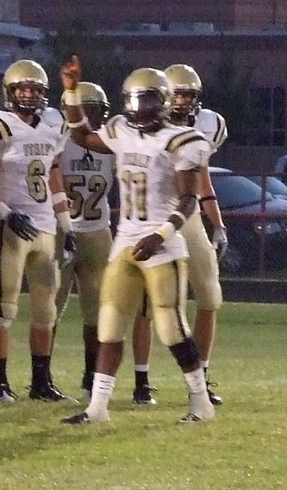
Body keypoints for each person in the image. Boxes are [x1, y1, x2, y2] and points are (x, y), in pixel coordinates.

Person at [59, 60, 215, 425]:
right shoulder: (119, 130)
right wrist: (70, 92)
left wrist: (160, 235)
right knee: (109, 325)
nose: (138, 109)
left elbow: (188, 201)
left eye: (145, 101)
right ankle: (97, 408)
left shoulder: (181, 140)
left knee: (170, 328)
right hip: (126, 240)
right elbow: (81, 136)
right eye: (132, 101)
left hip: (163, 244)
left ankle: (200, 402)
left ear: (161, 101)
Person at [132, 63, 230, 405]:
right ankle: (141, 380)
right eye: (178, 94)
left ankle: (200, 377)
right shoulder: (143, 124)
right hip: (155, 216)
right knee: (147, 304)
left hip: (187, 218)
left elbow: (202, 179)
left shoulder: (207, 126)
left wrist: (217, 223)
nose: (184, 101)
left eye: (190, 95)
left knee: (209, 294)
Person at [0, 59, 73, 402]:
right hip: (13, 227)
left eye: (34, 89)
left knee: (46, 308)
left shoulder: (53, 126)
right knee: (6, 307)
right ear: (10, 92)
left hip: (45, 226)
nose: (29, 95)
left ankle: (41, 382)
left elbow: (54, 174)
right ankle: (1, 384)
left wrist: (66, 224)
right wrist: (4, 213)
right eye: (23, 89)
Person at [52, 81, 114, 401]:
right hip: (60, 231)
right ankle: (43, 378)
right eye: (84, 108)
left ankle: (92, 377)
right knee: (51, 306)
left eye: (95, 110)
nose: (90, 116)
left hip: (98, 231)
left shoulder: (108, 143)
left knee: (97, 310)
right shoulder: (58, 139)